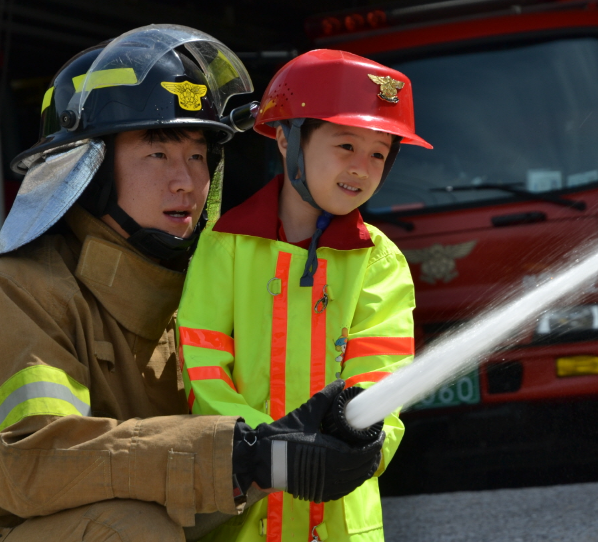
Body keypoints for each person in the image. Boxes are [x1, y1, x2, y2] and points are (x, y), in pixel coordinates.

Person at [0, 27, 382, 542]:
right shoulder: (11, 295)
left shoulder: (191, 303)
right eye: (158, 153)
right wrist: (244, 454)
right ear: (88, 171)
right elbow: (31, 463)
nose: (187, 180)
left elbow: (183, 475)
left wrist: (285, 452)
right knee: (132, 531)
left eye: (198, 154)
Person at [177, 49, 431, 542]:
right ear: (286, 138)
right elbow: (201, 374)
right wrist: (273, 452)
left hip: (339, 522)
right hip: (241, 518)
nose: (362, 168)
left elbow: (382, 384)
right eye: (345, 145)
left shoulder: (380, 264)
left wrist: (361, 440)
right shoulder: (222, 247)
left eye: (379, 153)